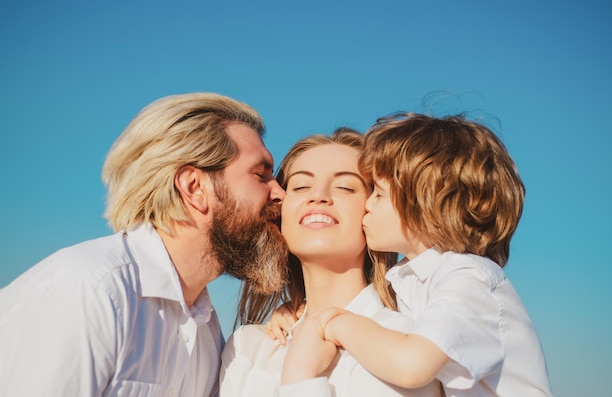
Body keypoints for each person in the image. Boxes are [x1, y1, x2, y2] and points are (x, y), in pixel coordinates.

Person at [0, 92, 290, 396]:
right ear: (195, 187)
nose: (280, 193)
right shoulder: (90, 288)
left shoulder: (206, 329)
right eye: (260, 175)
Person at [281, 113, 554, 396]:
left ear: (422, 203)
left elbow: (410, 365)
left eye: (379, 193)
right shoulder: (416, 278)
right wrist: (295, 309)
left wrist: (334, 322)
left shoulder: (470, 279)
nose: (369, 205)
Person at [219, 128, 442, 397]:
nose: (319, 196)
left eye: (346, 187)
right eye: (301, 186)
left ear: (374, 210)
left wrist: (299, 377)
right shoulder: (247, 347)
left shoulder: (407, 343)